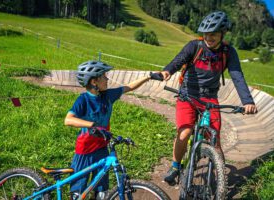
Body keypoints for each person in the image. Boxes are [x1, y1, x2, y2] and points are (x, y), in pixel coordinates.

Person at [159, 11, 258, 185]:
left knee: (214, 138)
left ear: (223, 33)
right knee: (184, 133)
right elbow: (178, 60)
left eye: (213, 34)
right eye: (206, 33)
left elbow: (237, 76)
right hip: (187, 95)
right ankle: (175, 166)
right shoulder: (194, 46)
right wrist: (167, 70)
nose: (208, 37)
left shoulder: (228, 52)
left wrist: (248, 101)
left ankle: (219, 175)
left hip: (209, 99)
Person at [64, 60, 151, 199]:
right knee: (78, 193)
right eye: (104, 76)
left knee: (102, 192)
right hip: (84, 151)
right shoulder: (83, 100)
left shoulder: (108, 95)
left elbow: (128, 87)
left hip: (102, 148)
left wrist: (149, 76)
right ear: (94, 82)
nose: (107, 79)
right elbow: (68, 119)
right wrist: (91, 125)